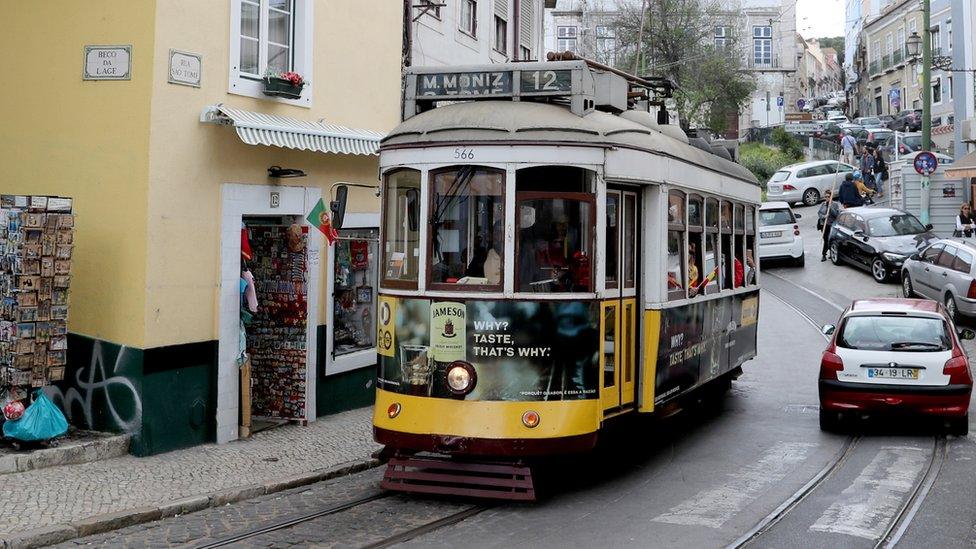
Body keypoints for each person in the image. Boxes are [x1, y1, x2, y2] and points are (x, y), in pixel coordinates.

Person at [819, 189, 841, 261]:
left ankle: (827, 253)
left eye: (828, 196)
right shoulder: (823, 204)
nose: (827, 198)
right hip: (824, 225)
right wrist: (824, 216)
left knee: (830, 240)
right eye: (825, 197)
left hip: (831, 225)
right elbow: (819, 213)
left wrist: (830, 207)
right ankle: (824, 254)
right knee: (825, 239)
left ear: (831, 196)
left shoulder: (835, 204)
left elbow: (836, 215)